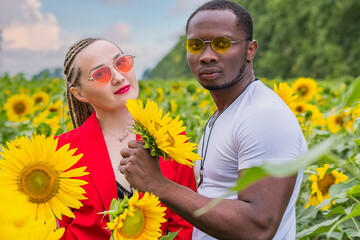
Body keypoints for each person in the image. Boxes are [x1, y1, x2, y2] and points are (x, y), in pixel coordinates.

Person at [119, 0, 307, 239]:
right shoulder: (224, 114)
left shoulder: (263, 115)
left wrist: (158, 183)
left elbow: (258, 227)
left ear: (250, 50)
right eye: (195, 45)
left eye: (222, 43)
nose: (207, 56)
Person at [56, 37, 197, 239]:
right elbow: (55, 229)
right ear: (79, 93)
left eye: (120, 63)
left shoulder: (170, 139)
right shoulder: (61, 151)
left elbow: (185, 224)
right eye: (100, 74)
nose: (119, 77)